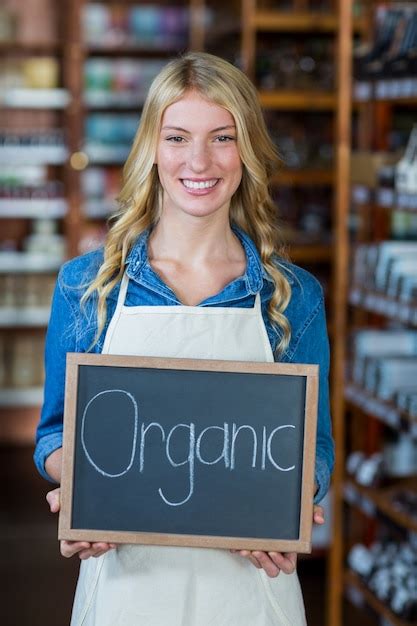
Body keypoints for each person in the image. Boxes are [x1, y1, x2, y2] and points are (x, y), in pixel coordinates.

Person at [34, 51, 334, 626]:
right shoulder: (88, 286)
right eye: (177, 137)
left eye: (222, 137)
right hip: (126, 582)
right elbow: (53, 433)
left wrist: (294, 499)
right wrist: (79, 485)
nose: (199, 160)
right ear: (152, 147)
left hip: (250, 590)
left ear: (247, 150)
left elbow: (314, 447)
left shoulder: (293, 296)